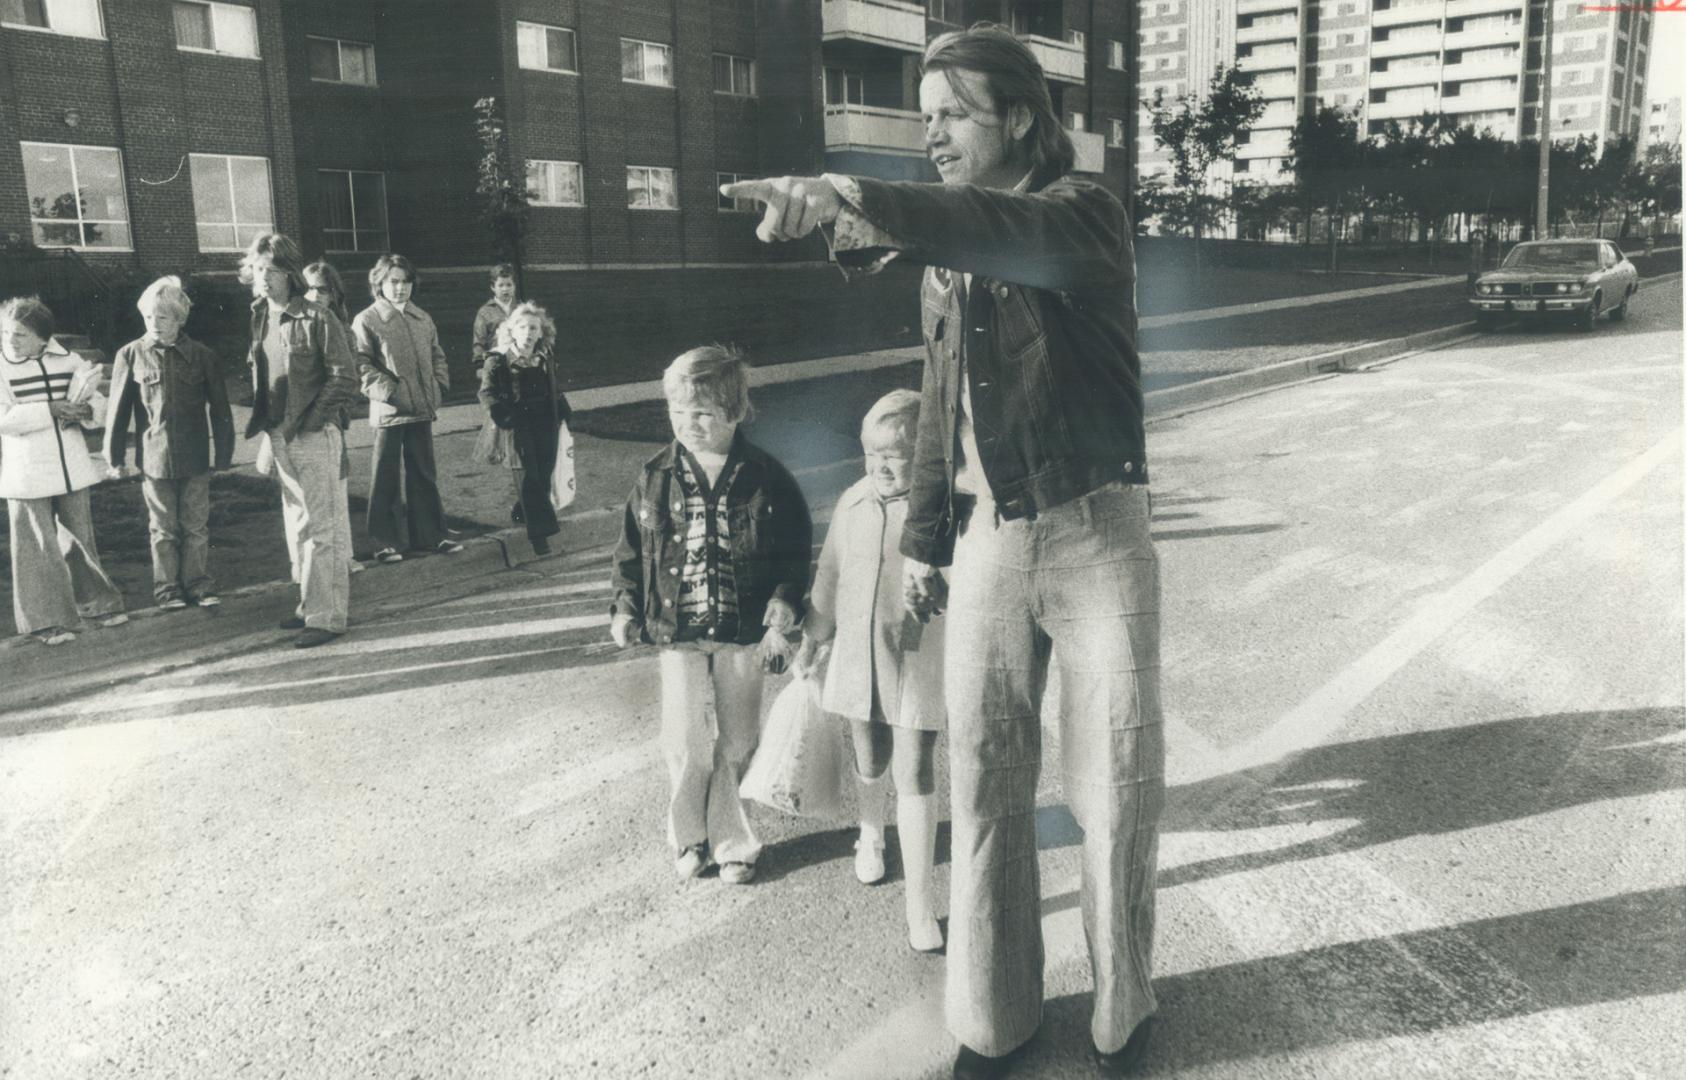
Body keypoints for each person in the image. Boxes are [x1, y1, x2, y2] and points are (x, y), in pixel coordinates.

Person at [723, 23, 1162, 1079]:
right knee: (985, 777)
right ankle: (995, 1016)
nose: (932, 138)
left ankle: (1122, 1014)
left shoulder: (1080, 216)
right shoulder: (946, 269)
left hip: (1098, 531)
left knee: (1114, 779)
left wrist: (847, 192)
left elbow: (991, 228)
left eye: (953, 115)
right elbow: (940, 418)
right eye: (923, 120)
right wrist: (924, 541)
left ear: (1018, 115)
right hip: (992, 538)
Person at [608, 346, 812, 887]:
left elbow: (795, 552)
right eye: (677, 412)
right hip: (678, 632)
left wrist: (785, 606)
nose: (688, 424)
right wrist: (626, 607)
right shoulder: (654, 476)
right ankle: (690, 836)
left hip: (743, 631)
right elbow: (630, 552)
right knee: (683, 740)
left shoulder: (768, 477)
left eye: (701, 412)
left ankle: (732, 840)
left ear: (735, 411)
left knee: (739, 739)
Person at [798, 388, 946, 954]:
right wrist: (813, 642)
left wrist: (942, 588)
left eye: (895, 455)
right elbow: (828, 579)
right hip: (859, 657)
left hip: (916, 658)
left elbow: (970, 586)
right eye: (870, 454)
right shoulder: (853, 503)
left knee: (915, 765)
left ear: (924, 453)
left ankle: (920, 903)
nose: (879, 467)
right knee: (870, 753)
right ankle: (870, 832)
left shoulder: (940, 512)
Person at [242, 233, 359, 648]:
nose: (263, 279)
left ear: (290, 274)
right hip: (279, 435)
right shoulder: (260, 315)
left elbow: (345, 377)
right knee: (299, 528)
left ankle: (327, 618)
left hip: (312, 434)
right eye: (257, 270)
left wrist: (311, 421)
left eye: (270, 271)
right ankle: (309, 607)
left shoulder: (317, 318)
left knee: (323, 529)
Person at [1, 296, 128, 644]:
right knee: (37, 548)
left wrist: (86, 413)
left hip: (72, 467)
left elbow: (99, 405)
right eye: (7, 333)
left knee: (79, 539)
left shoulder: (70, 360)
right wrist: (51, 410)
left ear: (43, 338)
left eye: (21, 335)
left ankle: (98, 605)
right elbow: (4, 419)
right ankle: (48, 621)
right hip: (26, 473)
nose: (11, 341)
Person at [104, 276, 235, 610]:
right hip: (155, 459)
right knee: (162, 529)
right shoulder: (131, 355)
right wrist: (114, 457)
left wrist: (224, 454)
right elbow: (117, 413)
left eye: (163, 318)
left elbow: (220, 409)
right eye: (148, 317)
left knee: (195, 525)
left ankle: (198, 584)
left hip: (195, 457)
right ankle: (167, 590)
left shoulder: (203, 357)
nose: (155, 324)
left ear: (180, 319)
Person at [350, 254, 461, 564]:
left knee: (424, 473)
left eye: (405, 282)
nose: (400, 289)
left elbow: (437, 355)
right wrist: (391, 392)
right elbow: (360, 364)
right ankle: (385, 542)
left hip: (422, 409)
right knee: (385, 476)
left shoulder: (422, 318)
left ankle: (431, 536)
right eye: (393, 282)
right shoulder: (367, 319)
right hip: (390, 411)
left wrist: (438, 386)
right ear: (379, 284)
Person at [477, 301, 569, 555]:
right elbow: (487, 392)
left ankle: (522, 511)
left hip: (545, 422)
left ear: (541, 332)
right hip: (518, 424)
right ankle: (540, 537)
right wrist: (502, 416)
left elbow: (554, 387)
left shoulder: (544, 356)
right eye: (522, 327)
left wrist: (563, 411)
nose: (528, 333)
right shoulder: (499, 359)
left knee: (544, 472)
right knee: (529, 475)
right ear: (511, 330)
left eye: (534, 328)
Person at [302, 260, 364, 577]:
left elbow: (348, 377)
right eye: (309, 288)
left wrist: (335, 412)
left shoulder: (341, 329)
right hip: (302, 421)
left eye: (322, 289)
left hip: (331, 419)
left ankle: (345, 555)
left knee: (336, 489)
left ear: (333, 294)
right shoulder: (300, 325)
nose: (315, 295)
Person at [471, 264, 526, 525]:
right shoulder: (486, 312)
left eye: (510, 285)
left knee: (522, 433)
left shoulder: (521, 308)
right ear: (493, 287)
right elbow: (479, 344)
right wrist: (482, 368)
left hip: (520, 370)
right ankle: (501, 451)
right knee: (502, 426)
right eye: (501, 285)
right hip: (498, 370)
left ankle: (526, 496)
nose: (506, 290)